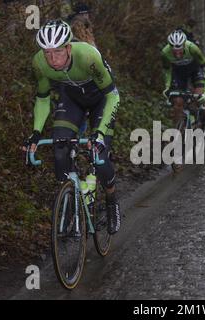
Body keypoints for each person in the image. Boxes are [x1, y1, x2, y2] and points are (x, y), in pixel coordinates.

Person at [23, 20, 121, 234]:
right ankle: (68, 201)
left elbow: (113, 96)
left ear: (68, 47)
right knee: (59, 149)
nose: (52, 59)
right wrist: (36, 133)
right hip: (71, 100)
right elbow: (42, 98)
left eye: (58, 52)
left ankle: (112, 198)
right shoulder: (39, 63)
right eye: (47, 53)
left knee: (100, 155)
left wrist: (100, 133)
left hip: (101, 100)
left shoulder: (87, 56)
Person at [161, 30, 205, 129]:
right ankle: (177, 128)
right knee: (177, 102)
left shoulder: (193, 48)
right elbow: (167, 71)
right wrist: (167, 87)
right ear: (169, 47)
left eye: (180, 50)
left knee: (200, 99)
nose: (177, 54)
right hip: (179, 74)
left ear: (184, 45)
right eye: (174, 50)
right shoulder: (165, 52)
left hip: (195, 71)